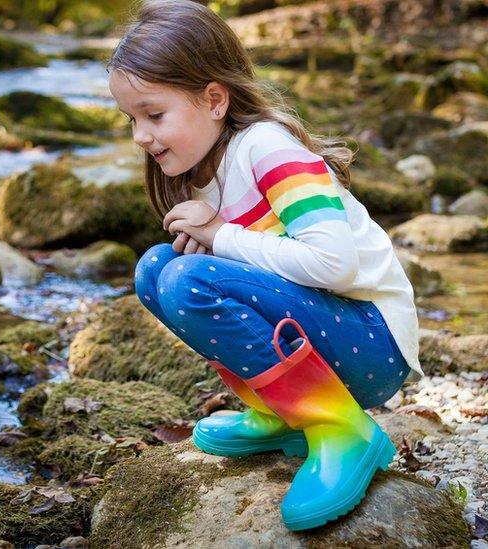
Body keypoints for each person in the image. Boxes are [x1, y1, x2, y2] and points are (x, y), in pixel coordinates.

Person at [107, 0, 423, 532]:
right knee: (155, 269)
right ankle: (282, 414)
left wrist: (220, 236)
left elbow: (336, 265)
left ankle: (344, 430)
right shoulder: (205, 168)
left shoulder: (268, 149)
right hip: (324, 339)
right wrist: (215, 243)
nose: (141, 135)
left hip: (371, 341)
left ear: (213, 99)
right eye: (131, 120)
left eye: (154, 115)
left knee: (186, 279)